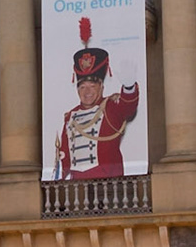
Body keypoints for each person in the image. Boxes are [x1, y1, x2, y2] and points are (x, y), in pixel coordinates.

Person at [53, 16, 141, 180]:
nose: (87, 92)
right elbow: (65, 156)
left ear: (101, 86)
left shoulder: (111, 106)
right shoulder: (70, 117)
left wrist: (129, 86)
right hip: (78, 188)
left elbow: (128, 107)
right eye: (82, 87)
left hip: (109, 183)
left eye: (92, 87)